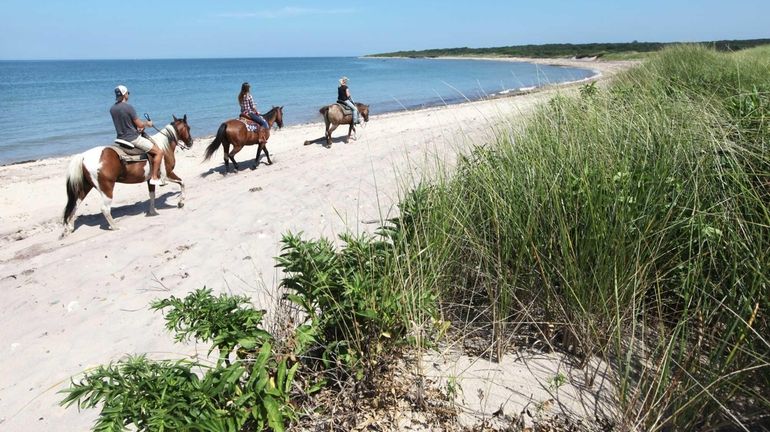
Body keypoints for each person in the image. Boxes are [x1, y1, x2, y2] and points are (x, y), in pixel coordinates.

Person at [110, 85, 164, 185]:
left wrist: (136, 128)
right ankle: (154, 177)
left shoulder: (112, 109)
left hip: (120, 138)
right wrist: (148, 124)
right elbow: (139, 124)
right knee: (159, 152)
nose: (128, 95)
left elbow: (125, 123)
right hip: (133, 138)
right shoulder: (128, 107)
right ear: (124, 94)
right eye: (127, 93)